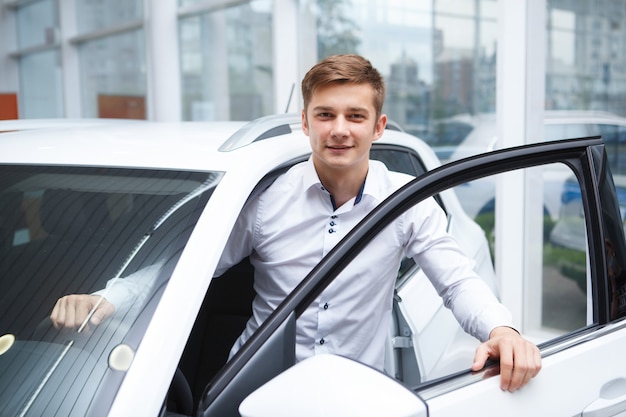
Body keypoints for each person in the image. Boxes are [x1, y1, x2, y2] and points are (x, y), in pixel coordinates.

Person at [51, 54, 541, 392]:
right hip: (250, 387)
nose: (340, 129)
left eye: (355, 115)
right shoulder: (265, 200)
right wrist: (107, 298)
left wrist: (503, 329)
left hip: (353, 393)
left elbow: (457, 281)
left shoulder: (405, 202)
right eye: (325, 114)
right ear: (306, 122)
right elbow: (185, 266)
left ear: (379, 126)